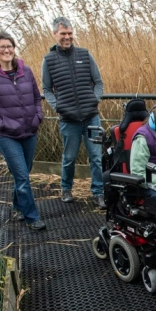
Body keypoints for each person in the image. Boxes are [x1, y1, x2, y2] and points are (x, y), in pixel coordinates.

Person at [0, 30, 46, 231]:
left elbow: (35, 97)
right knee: (22, 176)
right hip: (7, 136)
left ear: (14, 48)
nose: (6, 50)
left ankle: (17, 206)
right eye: (2, 46)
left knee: (22, 174)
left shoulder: (26, 71)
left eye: (9, 46)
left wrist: (37, 117)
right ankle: (32, 217)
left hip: (29, 131)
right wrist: (2, 124)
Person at [41, 16, 106, 209]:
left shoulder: (85, 55)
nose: (67, 37)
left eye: (70, 33)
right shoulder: (49, 60)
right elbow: (46, 89)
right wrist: (58, 106)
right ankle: (66, 188)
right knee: (69, 157)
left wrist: (95, 99)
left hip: (91, 116)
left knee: (95, 156)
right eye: (63, 34)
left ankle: (99, 192)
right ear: (54, 34)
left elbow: (98, 82)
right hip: (68, 118)